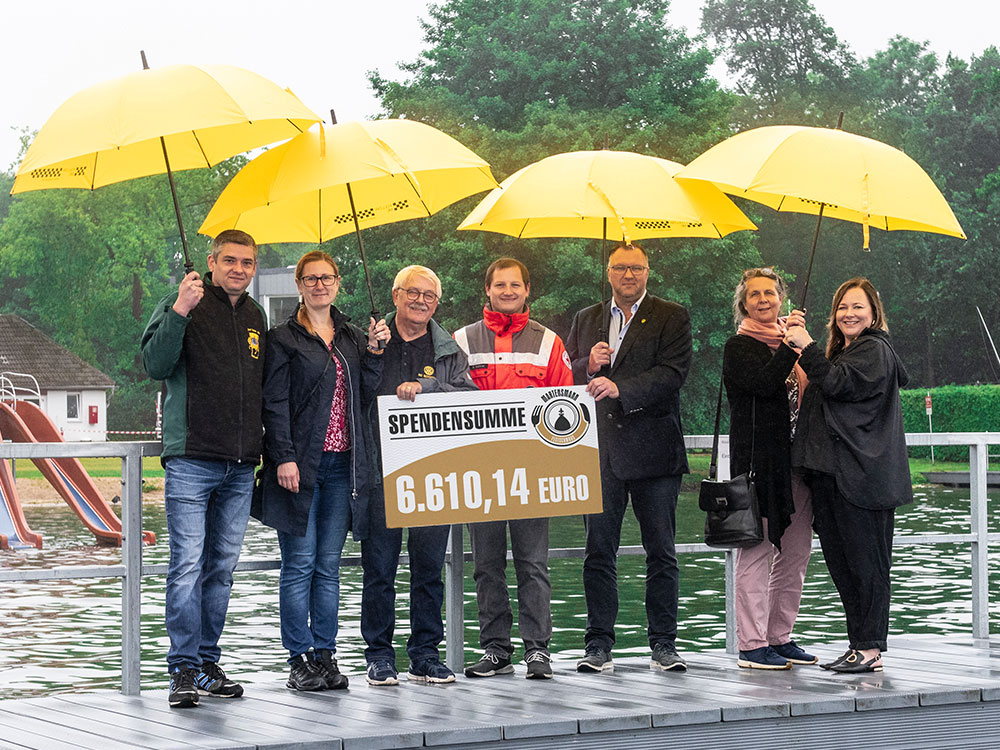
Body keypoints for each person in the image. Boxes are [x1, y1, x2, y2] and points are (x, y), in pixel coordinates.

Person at [141, 229, 265, 708]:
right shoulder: (183, 300)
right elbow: (155, 363)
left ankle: (208, 662)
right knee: (187, 566)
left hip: (240, 465)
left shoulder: (255, 316)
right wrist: (180, 309)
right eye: (230, 260)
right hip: (192, 457)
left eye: (247, 262)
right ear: (212, 262)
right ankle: (182, 670)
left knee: (222, 569)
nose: (239, 269)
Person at [256, 251, 390, 692]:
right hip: (300, 466)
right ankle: (298, 659)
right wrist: (284, 456)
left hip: (343, 467)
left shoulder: (351, 336)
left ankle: (325, 655)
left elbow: (366, 395)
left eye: (326, 278)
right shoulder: (283, 338)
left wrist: (374, 353)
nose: (319, 285)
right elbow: (273, 403)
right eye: (310, 278)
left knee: (328, 566)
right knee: (299, 564)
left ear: (337, 282)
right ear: (298, 284)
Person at [565, 243, 692, 673]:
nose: (628, 274)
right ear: (608, 271)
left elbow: (673, 374)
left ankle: (664, 644)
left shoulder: (671, 315)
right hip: (599, 453)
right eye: (620, 267)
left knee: (662, 552)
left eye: (636, 267)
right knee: (598, 552)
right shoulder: (587, 318)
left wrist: (621, 388)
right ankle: (598, 645)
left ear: (648, 272)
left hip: (656, 451)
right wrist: (589, 363)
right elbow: (564, 372)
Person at [454, 257, 574, 680]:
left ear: (527, 290)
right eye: (499, 285)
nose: (508, 291)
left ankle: (538, 650)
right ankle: (495, 650)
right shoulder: (461, 340)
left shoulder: (549, 342)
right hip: (479, 470)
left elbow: (566, 405)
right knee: (486, 565)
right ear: (487, 290)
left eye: (515, 285)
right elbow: (447, 401)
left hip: (532, 470)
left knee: (532, 563)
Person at [784, 277, 912, 674]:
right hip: (834, 476)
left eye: (858, 307)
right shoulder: (845, 351)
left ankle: (871, 648)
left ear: (874, 313)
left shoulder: (874, 349)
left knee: (867, 566)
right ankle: (858, 644)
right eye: (842, 307)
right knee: (843, 566)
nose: (849, 314)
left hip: (863, 479)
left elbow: (837, 384)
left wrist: (805, 346)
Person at [361, 265, 477, 686]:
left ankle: (426, 654)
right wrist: (373, 352)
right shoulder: (370, 340)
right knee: (380, 569)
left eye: (429, 295)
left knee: (429, 569)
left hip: (433, 474)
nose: (421, 301)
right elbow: (355, 392)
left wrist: (428, 390)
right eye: (413, 293)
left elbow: (470, 398)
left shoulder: (448, 349)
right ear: (395, 296)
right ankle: (379, 655)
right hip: (380, 473)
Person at [723, 268, 816, 670]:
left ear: (781, 298)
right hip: (761, 466)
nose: (764, 300)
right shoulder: (739, 347)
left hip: (798, 464)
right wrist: (790, 350)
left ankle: (779, 636)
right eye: (755, 295)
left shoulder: (792, 343)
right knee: (757, 552)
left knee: (795, 553)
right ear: (744, 303)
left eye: (771, 294)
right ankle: (751, 643)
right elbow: (762, 384)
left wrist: (800, 345)